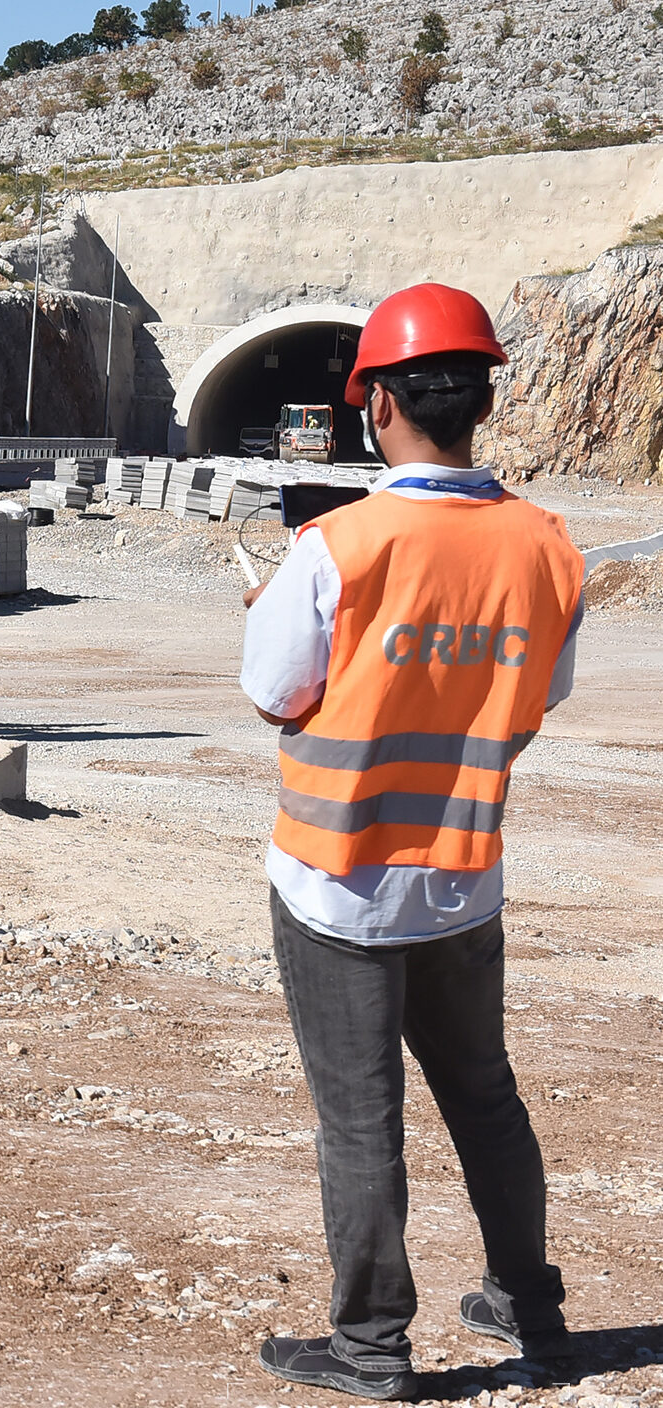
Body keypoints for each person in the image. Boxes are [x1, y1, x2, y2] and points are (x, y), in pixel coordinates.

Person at [240, 283, 583, 1401]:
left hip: (337, 882)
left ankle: (372, 1346)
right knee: (485, 1095)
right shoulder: (545, 544)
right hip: (463, 879)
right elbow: (535, 697)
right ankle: (527, 1304)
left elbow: (272, 692)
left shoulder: (338, 543)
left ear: (377, 401)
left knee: (360, 1116)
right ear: (479, 400)